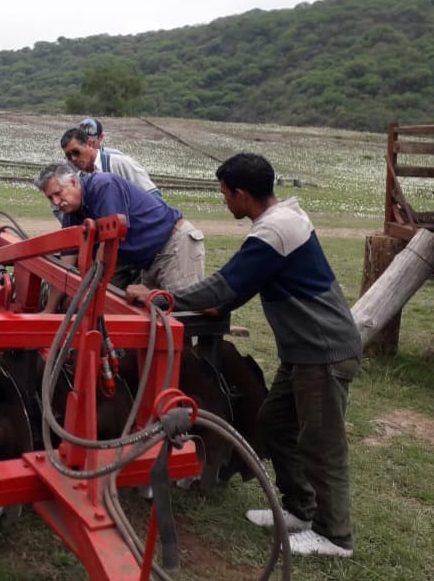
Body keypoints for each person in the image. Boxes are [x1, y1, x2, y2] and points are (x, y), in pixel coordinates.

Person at [125, 152, 361, 558]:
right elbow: (238, 287)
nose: (224, 202)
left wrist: (161, 297)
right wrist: (216, 301)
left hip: (322, 352)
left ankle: (335, 536)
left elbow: (224, 286)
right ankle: (300, 510)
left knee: (321, 443)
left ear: (242, 193)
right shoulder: (279, 221)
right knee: (273, 424)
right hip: (303, 352)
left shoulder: (275, 231)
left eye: (224, 194)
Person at [36, 163, 204, 296]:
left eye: (58, 193)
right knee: (152, 320)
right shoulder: (72, 214)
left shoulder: (103, 186)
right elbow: (67, 265)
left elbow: (109, 243)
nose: (56, 202)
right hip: (147, 260)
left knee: (178, 318)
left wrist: (86, 294)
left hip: (172, 246)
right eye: (50, 198)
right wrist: (49, 311)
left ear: (73, 181)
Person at [61, 127, 159, 197]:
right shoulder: (80, 180)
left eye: (76, 152)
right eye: (69, 156)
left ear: (90, 144)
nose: (73, 158)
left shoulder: (121, 163)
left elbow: (153, 196)